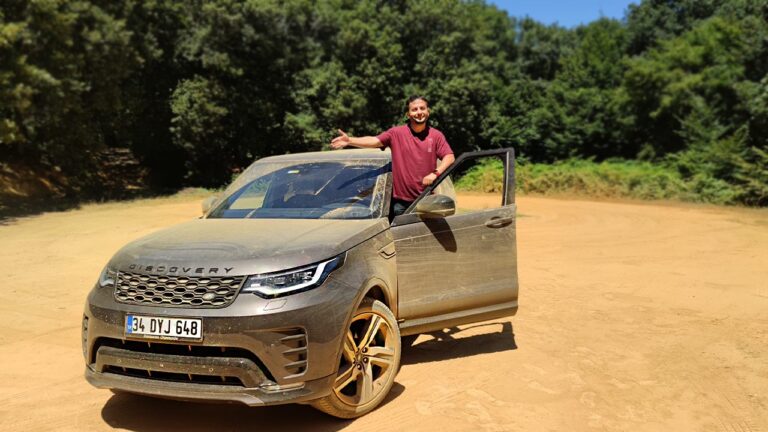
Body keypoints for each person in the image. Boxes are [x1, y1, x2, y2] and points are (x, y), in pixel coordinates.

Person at [330, 96, 455, 218]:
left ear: (428, 111)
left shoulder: (436, 135)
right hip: (401, 204)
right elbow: (374, 140)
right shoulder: (396, 133)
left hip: (427, 200)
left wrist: (435, 173)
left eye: (422, 108)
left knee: (425, 238)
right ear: (408, 114)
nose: (419, 112)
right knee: (402, 237)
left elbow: (449, 157)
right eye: (414, 109)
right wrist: (350, 141)